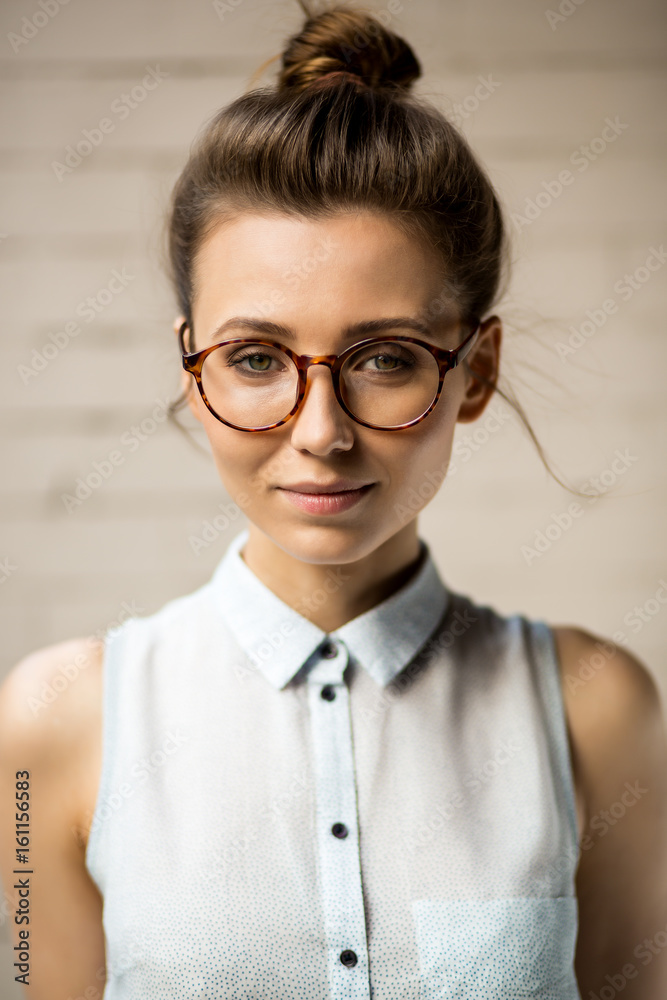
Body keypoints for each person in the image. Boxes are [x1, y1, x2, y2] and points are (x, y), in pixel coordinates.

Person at [1, 2, 666, 998]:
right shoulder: (51, 723)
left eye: (387, 357)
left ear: (475, 371)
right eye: (256, 357)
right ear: (192, 369)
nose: (321, 431)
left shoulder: (598, 709)